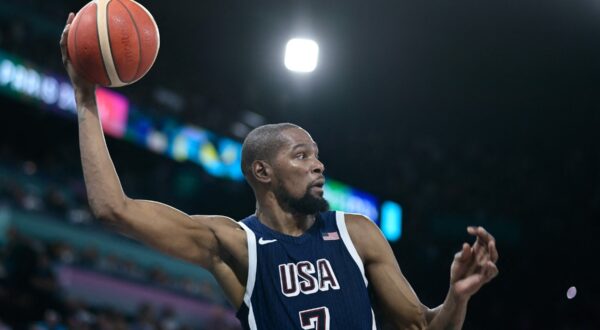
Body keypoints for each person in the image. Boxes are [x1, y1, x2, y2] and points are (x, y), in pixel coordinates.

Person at [59, 12, 499, 330]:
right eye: (302, 155)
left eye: (317, 154)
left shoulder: (357, 232)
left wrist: (456, 299)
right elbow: (113, 209)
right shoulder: (236, 243)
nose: (318, 164)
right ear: (262, 171)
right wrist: (85, 99)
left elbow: (422, 327)